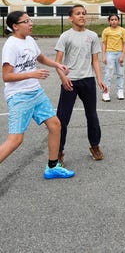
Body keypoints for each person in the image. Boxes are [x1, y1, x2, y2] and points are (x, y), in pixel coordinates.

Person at [0, 11, 75, 179]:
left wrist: (58, 65)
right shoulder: (11, 45)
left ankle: (52, 166)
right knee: (16, 140)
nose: (31, 23)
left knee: (55, 125)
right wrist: (31, 74)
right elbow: (6, 76)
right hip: (19, 96)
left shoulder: (30, 40)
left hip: (36, 93)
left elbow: (40, 57)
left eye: (30, 20)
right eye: (26, 21)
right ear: (15, 26)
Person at [55, 5, 107, 164]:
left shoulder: (92, 36)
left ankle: (95, 146)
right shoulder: (65, 36)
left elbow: (95, 61)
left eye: (84, 13)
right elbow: (57, 63)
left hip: (88, 80)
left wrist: (99, 79)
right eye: (78, 14)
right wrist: (64, 78)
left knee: (92, 115)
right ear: (71, 18)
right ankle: (58, 152)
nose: (82, 16)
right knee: (63, 118)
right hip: (70, 81)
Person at [101, 13, 125, 101]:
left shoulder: (122, 30)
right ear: (109, 21)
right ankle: (106, 92)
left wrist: (123, 56)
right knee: (108, 73)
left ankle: (120, 91)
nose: (114, 21)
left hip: (119, 53)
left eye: (115, 19)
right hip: (110, 53)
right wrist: (104, 56)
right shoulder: (106, 31)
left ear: (118, 21)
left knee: (120, 73)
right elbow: (104, 43)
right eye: (112, 20)